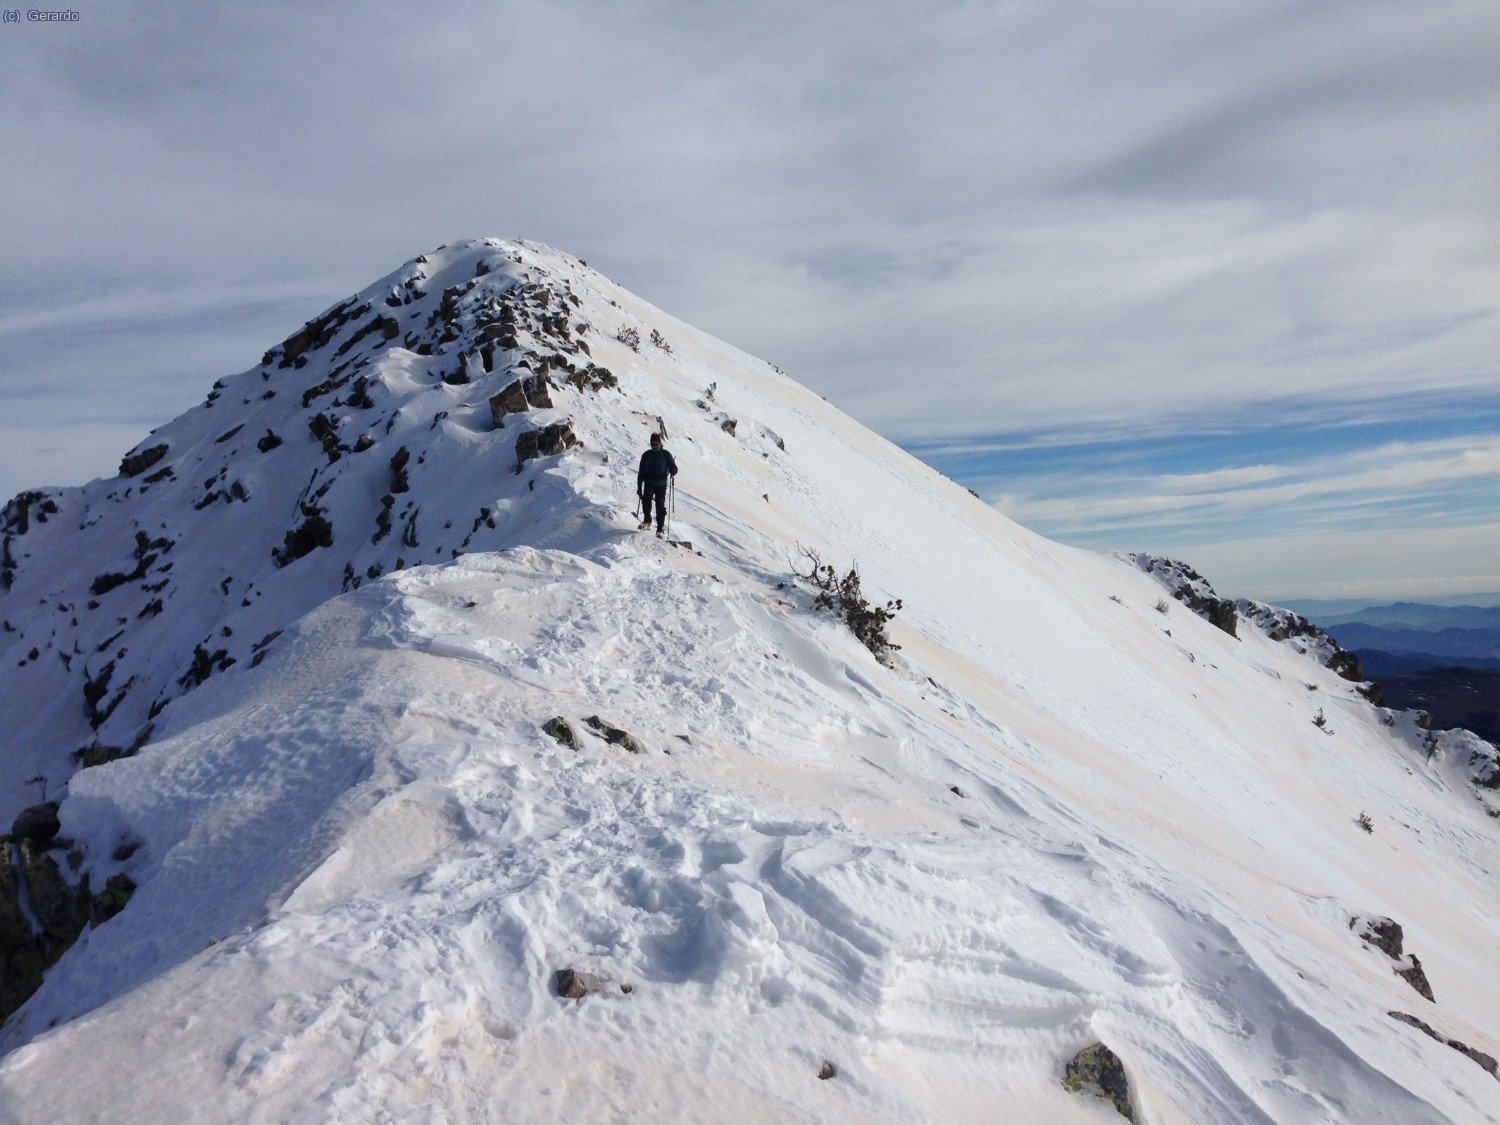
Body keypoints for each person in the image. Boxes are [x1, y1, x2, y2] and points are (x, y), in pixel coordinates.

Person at [636, 432, 677, 537]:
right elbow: (641, 472)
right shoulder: (646, 455)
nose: (654, 446)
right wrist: (639, 487)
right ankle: (647, 521)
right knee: (646, 499)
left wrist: (673, 470)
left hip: (661, 484)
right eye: (653, 444)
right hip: (649, 482)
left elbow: (674, 468)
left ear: (660, 444)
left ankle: (660, 528)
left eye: (656, 444)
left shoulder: (666, 455)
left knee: (660, 505)